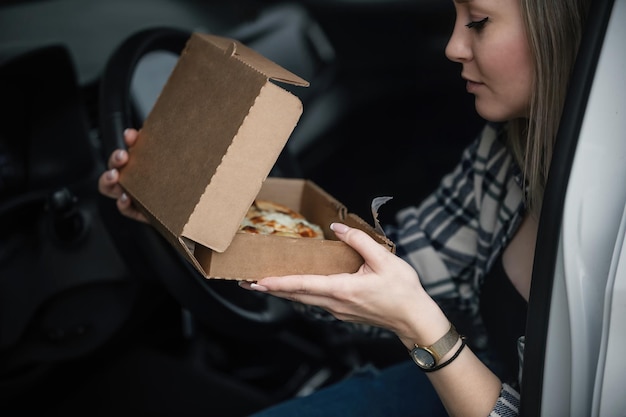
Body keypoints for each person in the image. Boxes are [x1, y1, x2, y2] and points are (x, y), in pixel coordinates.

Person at [98, 0, 592, 415]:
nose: (453, 46)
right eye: (455, 15)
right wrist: (197, 215)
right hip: (468, 368)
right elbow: (417, 264)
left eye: (479, 22)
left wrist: (417, 324)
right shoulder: (510, 147)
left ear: (562, 29)